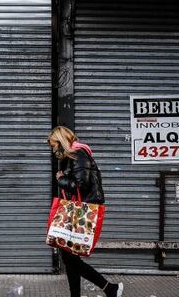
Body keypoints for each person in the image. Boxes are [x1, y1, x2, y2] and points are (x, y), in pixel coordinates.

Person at [48, 126, 124, 297]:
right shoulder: (70, 156)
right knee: (69, 258)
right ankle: (107, 289)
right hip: (74, 211)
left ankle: (110, 289)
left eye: (54, 145)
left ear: (61, 142)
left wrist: (61, 179)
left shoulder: (79, 154)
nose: (53, 149)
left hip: (81, 211)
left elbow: (81, 185)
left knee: (70, 258)